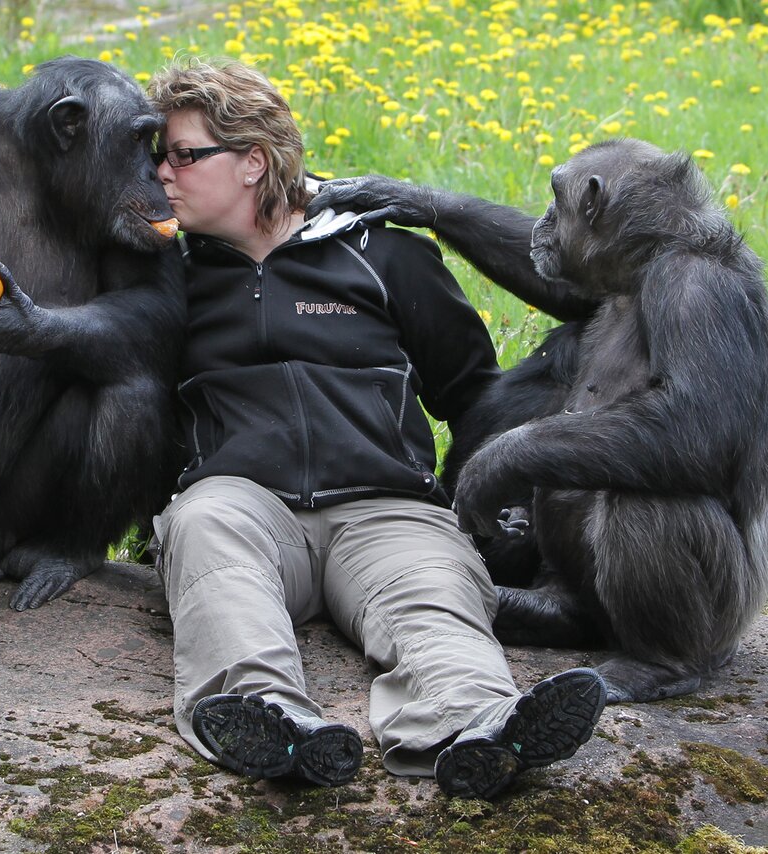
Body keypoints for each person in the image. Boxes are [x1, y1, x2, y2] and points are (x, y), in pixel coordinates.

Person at [144, 59, 607, 799]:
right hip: (244, 506)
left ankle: (480, 727)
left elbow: (476, 395)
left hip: (386, 507)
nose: (161, 173)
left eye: (181, 154)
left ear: (252, 163)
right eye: (157, 156)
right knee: (205, 532)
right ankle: (270, 722)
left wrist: (500, 510)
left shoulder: (379, 251)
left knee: (433, 588)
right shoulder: (165, 274)